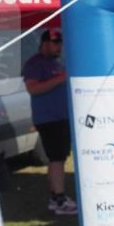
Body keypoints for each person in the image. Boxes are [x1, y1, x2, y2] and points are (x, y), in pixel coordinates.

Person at [23, 29, 78, 215]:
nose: (59, 47)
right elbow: (33, 89)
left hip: (61, 117)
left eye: (60, 43)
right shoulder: (34, 64)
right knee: (56, 158)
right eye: (55, 43)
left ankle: (56, 196)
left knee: (59, 158)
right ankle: (59, 198)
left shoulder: (56, 63)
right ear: (44, 43)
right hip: (48, 118)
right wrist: (61, 78)